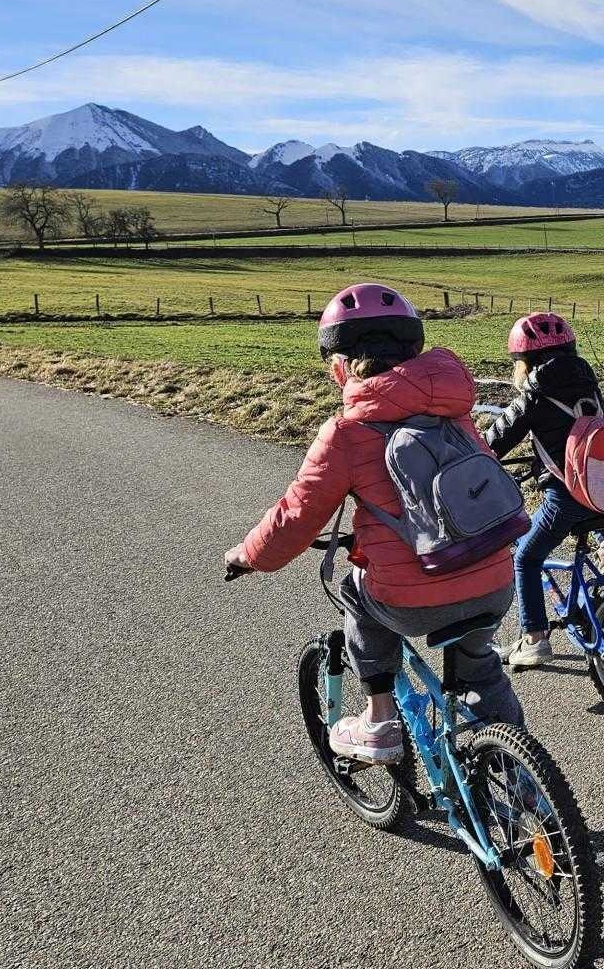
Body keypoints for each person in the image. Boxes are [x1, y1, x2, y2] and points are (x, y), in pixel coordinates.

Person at [224, 283, 523, 763]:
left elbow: (296, 516)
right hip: (494, 580)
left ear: (340, 367)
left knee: (355, 593)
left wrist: (248, 555)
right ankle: (520, 776)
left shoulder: (346, 432)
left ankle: (380, 720)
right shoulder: (454, 411)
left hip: (411, 602)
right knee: (481, 668)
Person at [484, 312, 604, 669]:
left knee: (525, 558)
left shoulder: (534, 394)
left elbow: (495, 441)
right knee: (583, 523)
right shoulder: (588, 385)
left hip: (565, 494)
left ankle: (534, 640)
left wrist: (472, 456)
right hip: (603, 488)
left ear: (526, 362)